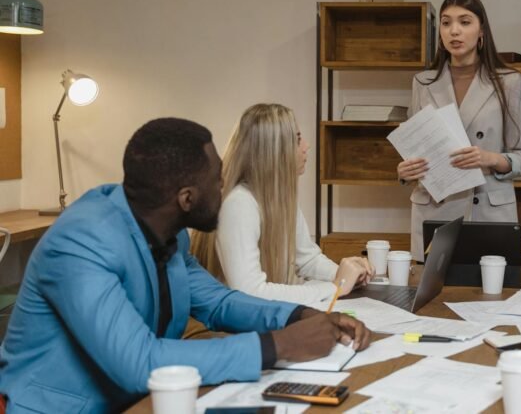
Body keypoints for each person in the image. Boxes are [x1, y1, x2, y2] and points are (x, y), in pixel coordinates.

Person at [0, 118, 372, 413]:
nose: (225, 188)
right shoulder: (81, 243)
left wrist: (298, 316)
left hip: (143, 402)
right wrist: (276, 346)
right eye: (218, 181)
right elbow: (140, 362)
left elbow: (219, 302)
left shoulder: (170, 233)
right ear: (187, 198)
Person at [397, 0, 521, 261]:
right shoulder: (423, 83)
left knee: (487, 288)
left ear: (481, 30)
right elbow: (417, 148)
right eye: (446, 23)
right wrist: (405, 171)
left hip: (487, 211)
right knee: (430, 288)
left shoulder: (509, 82)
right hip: (435, 210)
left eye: (465, 22)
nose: (454, 31)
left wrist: (489, 158)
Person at [191, 104, 372, 305]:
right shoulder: (239, 204)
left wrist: (348, 275)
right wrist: (335, 287)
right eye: (297, 139)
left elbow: (307, 259)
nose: (306, 146)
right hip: (234, 319)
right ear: (275, 150)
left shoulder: (279, 198)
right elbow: (250, 292)